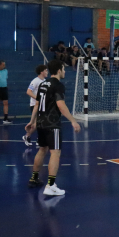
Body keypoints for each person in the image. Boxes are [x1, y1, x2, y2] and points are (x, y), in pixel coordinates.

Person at [26, 60, 81, 196]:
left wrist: (32, 121)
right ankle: (50, 185)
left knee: (42, 150)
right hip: (52, 124)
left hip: (41, 123)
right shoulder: (58, 85)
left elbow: (37, 104)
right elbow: (61, 105)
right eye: (63, 69)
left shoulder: (43, 84)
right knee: (55, 153)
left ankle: (34, 178)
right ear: (59, 70)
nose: (65, 71)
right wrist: (73, 121)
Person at [24, 65, 48, 146]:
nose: (47, 72)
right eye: (45, 70)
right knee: (37, 123)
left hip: (42, 105)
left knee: (41, 123)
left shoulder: (45, 81)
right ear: (41, 72)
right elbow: (28, 91)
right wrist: (38, 98)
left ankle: (37, 138)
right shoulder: (35, 81)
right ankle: (28, 136)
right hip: (35, 105)